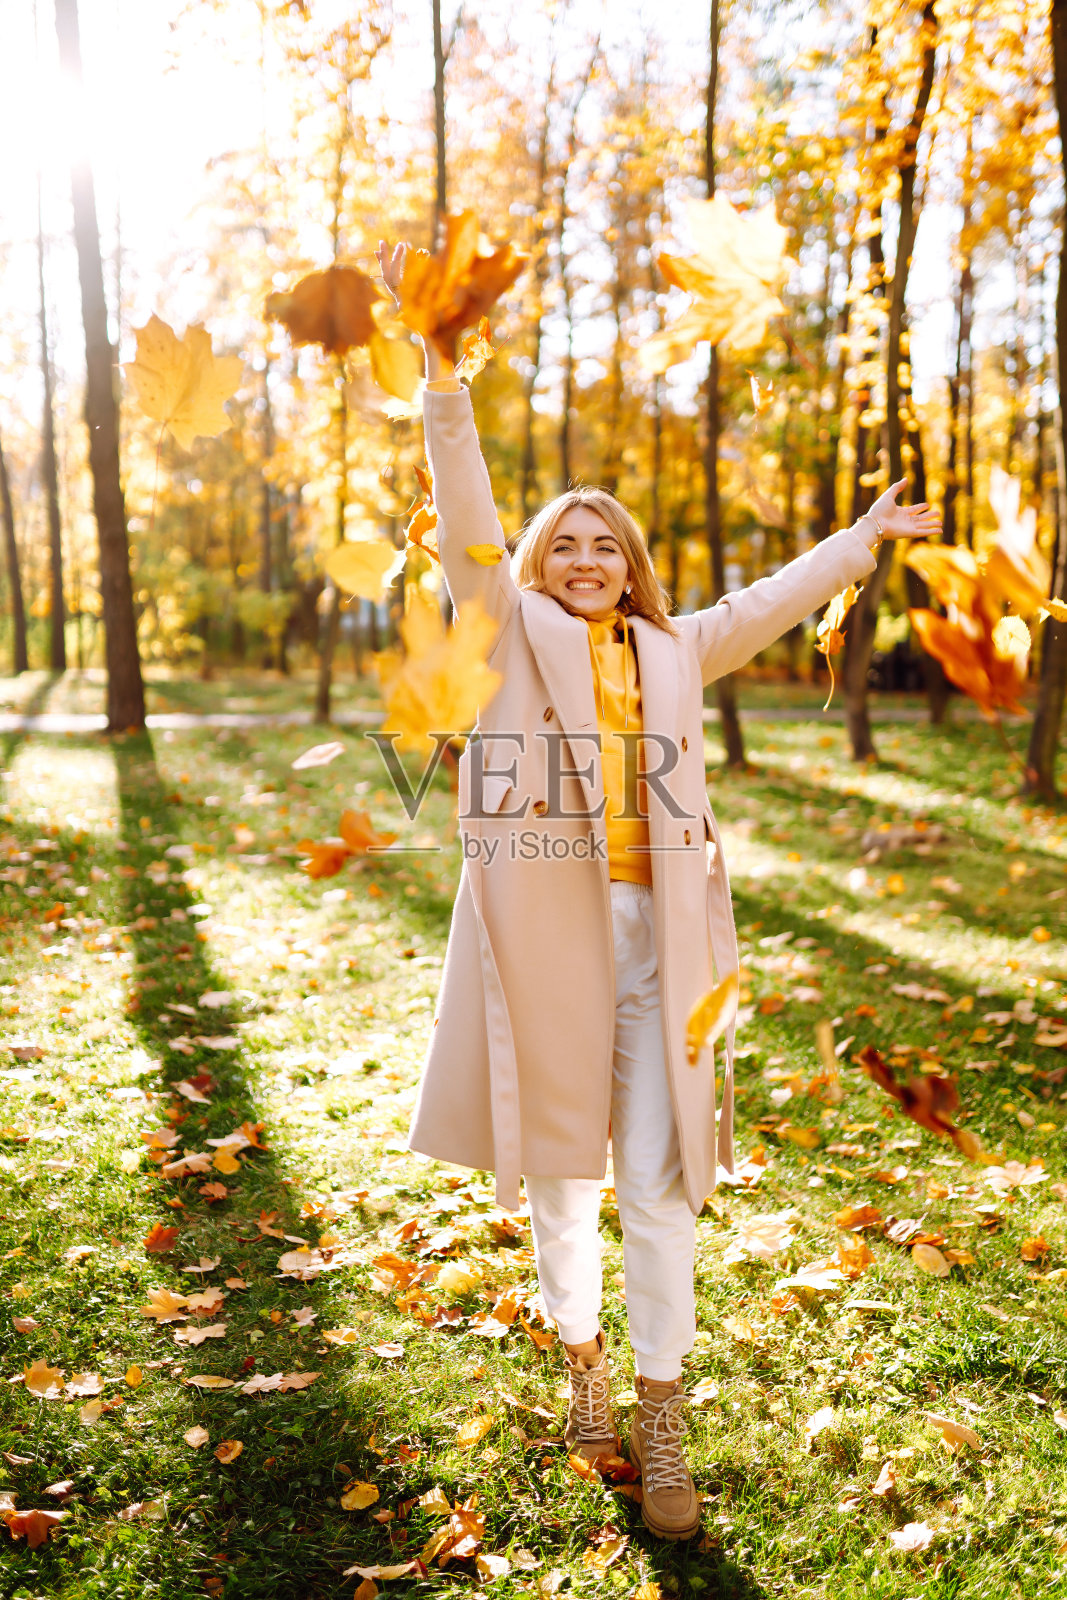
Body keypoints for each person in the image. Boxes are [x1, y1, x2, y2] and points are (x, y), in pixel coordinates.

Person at [376, 240, 941, 1541]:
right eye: (562, 542)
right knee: (567, 1183)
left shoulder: (676, 648)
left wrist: (856, 542)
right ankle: (584, 1373)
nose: (584, 556)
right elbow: (465, 510)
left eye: (604, 544)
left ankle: (663, 1413)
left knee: (661, 1179)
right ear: (536, 565)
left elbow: (771, 597)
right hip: (552, 942)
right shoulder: (509, 630)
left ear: (629, 565)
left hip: (670, 955)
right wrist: (442, 371)